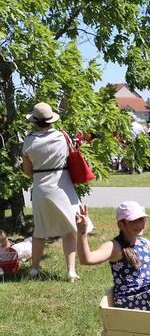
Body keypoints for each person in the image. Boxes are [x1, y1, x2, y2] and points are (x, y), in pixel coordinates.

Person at [75, 201, 150, 315]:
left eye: (142, 219)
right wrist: (82, 232)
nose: (140, 224)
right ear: (121, 224)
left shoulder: (142, 242)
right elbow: (87, 259)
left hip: (146, 292)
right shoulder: (114, 246)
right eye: (133, 220)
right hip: (129, 298)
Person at [21, 102, 91, 282]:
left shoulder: (29, 141)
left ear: (35, 122)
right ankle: (71, 271)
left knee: (40, 230)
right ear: (51, 120)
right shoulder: (62, 136)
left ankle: (35, 268)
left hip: (41, 187)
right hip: (62, 185)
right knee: (69, 229)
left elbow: (28, 171)